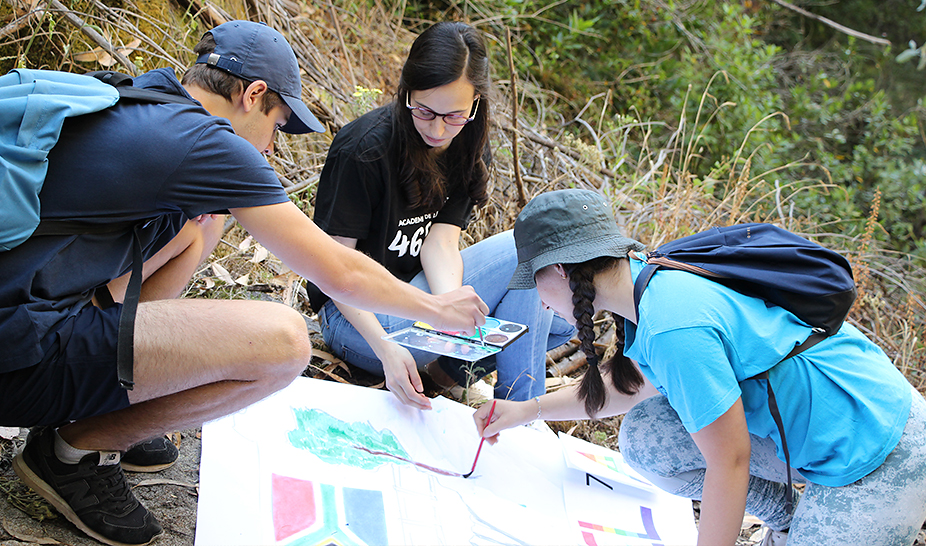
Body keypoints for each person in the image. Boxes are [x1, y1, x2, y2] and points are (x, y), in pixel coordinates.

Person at [0, 21, 488, 546]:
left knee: (200, 224)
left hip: (22, 306)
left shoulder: (143, 96)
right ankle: (74, 452)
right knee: (284, 342)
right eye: (277, 126)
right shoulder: (207, 146)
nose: (273, 149)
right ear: (254, 95)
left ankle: (101, 402)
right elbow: (338, 269)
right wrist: (437, 310)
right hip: (17, 359)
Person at [474, 189, 926, 546]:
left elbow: (729, 460)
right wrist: (525, 411)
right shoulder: (646, 278)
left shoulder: (674, 325)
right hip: (821, 431)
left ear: (559, 270)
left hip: (880, 452)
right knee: (648, 438)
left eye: (533, 281)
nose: (537, 297)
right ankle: (790, 517)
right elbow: (628, 386)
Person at [310, 21, 575, 409]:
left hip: (417, 309)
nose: (437, 128)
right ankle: (523, 412)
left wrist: (451, 308)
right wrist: (385, 348)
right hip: (357, 322)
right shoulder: (364, 149)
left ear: (476, 103)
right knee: (530, 250)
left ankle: (452, 374)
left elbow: (440, 240)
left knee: (561, 323)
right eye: (424, 111)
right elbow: (333, 270)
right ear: (407, 92)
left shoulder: (466, 144)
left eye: (454, 115)